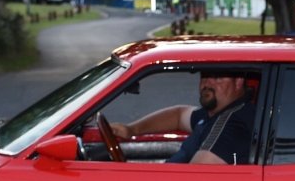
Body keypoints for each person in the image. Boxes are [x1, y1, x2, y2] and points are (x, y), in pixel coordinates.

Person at [109, 70, 254, 165]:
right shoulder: (215, 113)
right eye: (204, 76)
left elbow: (192, 177)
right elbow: (178, 115)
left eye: (216, 77)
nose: (206, 83)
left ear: (239, 81)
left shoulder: (232, 126)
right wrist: (132, 129)